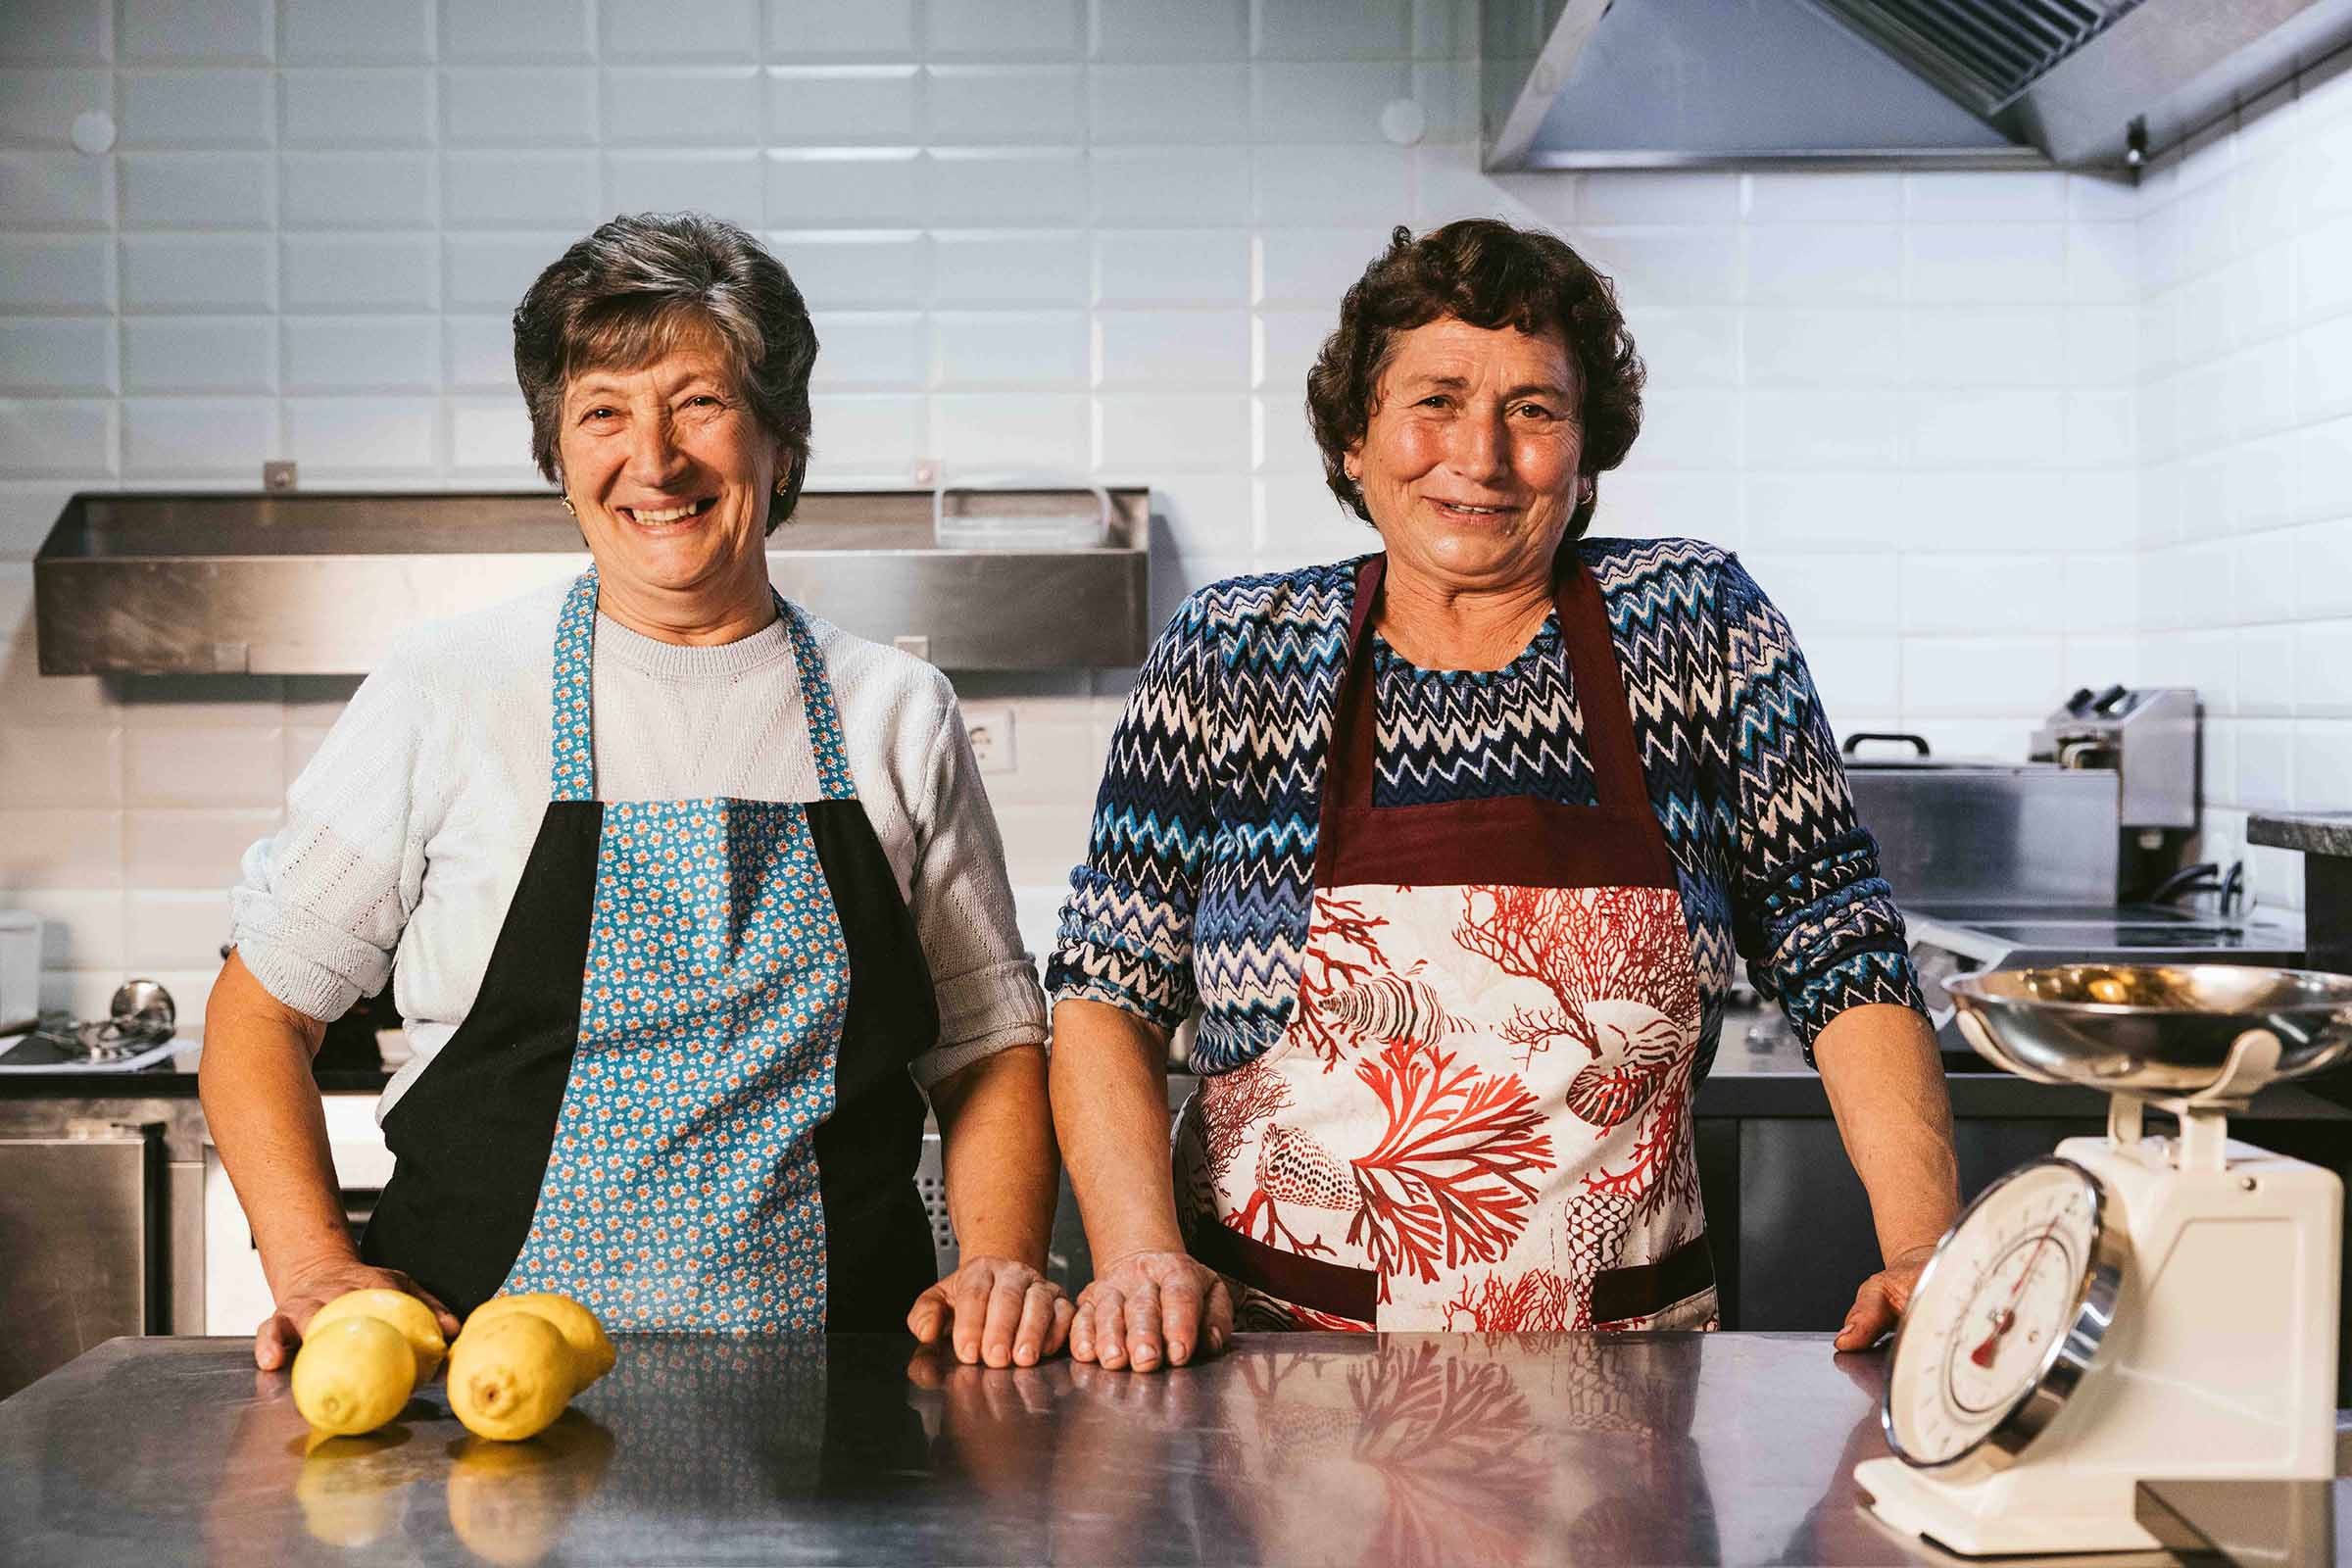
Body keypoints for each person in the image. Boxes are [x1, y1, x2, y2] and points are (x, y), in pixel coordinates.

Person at [1047, 220, 1961, 1368]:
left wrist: (1927, 1248)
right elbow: (1102, 990)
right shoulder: (1237, 649)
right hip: (1280, 1371)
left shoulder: (1697, 625)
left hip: (1622, 1379)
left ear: (1586, 455)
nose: (1478, 454)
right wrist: (1137, 1258)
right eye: (1434, 398)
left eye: (1534, 409)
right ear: (1353, 440)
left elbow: (1839, 943)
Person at [202, 212, 1071, 1370]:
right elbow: (260, 1012)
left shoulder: (894, 709)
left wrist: (999, 1259)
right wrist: (312, 1266)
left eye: (698, 403)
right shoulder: (448, 688)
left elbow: (988, 1043)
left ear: (782, 440)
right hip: (470, 1376)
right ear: (557, 457)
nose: (652, 460)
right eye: (602, 413)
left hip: (842, 1388)